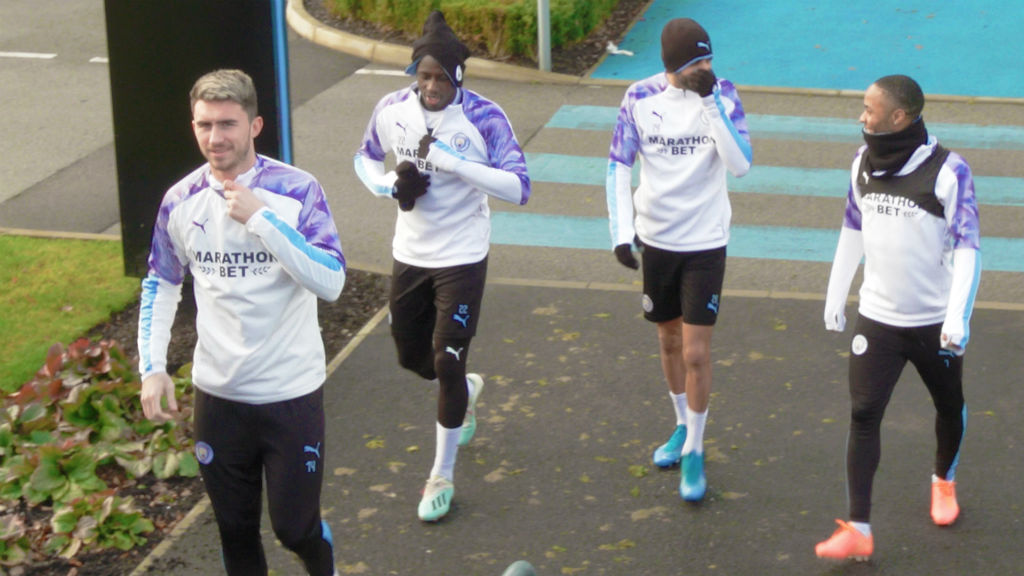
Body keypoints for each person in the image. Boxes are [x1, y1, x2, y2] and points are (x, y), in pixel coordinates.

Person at [137, 69, 346, 576]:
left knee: (294, 528)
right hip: (220, 396)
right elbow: (161, 283)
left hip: (289, 394)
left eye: (228, 123)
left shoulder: (297, 191)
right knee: (234, 531)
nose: (215, 138)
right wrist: (152, 366)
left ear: (255, 125)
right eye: (205, 124)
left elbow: (332, 280)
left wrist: (260, 219)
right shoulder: (179, 201)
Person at [353, 11, 531, 522]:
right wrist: (389, 185)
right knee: (413, 358)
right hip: (411, 253)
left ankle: (441, 474)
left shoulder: (485, 118)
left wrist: (456, 166)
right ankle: (465, 390)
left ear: (458, 78)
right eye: (423, 76)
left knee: (448, 360)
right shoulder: (391, 109)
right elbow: (363, 159)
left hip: (463, 255)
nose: (431, 87)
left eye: (440, 78)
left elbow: (519, 188)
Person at [815, 74, 981, 561]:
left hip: (934, 323)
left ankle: (943, 480)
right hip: (878, 318)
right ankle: (859, 527)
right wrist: (836, 292)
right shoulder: (861, 164)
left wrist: (958, 316)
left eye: (869, 109)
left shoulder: (948, 171)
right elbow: (852, 226)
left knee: (949, 407)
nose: (862, 117)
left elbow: (969, 247)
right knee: (864, 414)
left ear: (899, 117)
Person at [606, 17, 752, 502]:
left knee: (695, 351)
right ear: (674, 65)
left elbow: (741, 164)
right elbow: (617, 167)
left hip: (706, 241)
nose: (707, 69)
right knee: (668, 341)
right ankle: (680, 425)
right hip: (659, 240)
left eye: (710, 59)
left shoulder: (723, 94)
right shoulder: (639, 99)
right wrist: (621, 234)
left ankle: (694, 448)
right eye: (697, 63)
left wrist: (710, 104)